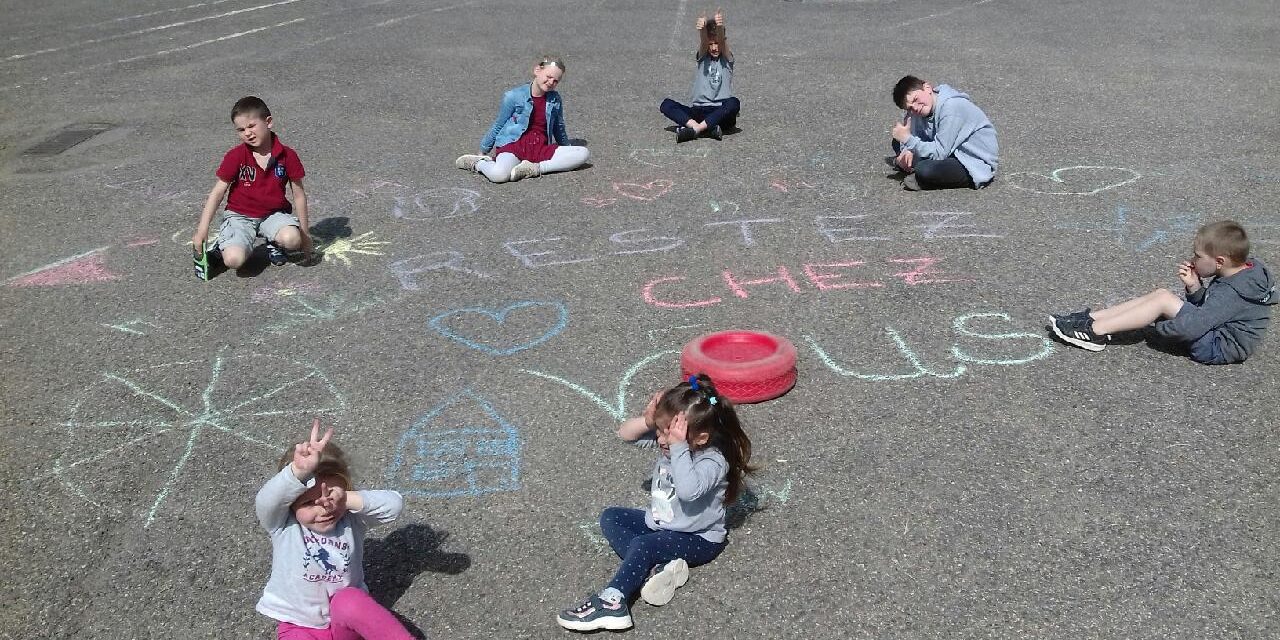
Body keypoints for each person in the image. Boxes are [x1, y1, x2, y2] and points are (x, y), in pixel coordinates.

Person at [557, 374, 754, 632]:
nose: (661, 439)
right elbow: (625, 434)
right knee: (611, 516)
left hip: (699, 539)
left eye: (667, 434)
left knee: (643, 545)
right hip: (662, 524)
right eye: (659, 431)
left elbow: (688, 491)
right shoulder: (671, 442)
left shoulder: (712, 460)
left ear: (701, 438)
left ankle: (614, 602)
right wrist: (649, 421)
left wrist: (679, 447)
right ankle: (654, 567)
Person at [255, 420, 415, 640]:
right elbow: (266, 500)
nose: (323, 509)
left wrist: (344, 499)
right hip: (299, 625)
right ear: (290, 503)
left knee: (349, 599)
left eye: (331, 496)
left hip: (344, 624)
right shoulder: (282, 523)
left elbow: (394, 506)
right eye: (309, 504)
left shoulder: (351, 518)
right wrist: (297, 473)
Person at [1050, 220, 1276, 363]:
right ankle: (1091, 320)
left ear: (1219, 261)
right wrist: (1195, 287)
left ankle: (1095, 333)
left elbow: (1198, 324)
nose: (1192, 259)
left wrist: (1160, 328)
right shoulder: (1243, 271)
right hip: (1218, 333)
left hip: (1219, 347)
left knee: (1163, 301)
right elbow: (1210, 309)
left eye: (1198, 256)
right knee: (1162, 295)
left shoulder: (1232, 291)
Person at [193, 96, 311, 270]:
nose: (247, 133)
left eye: (251, 126)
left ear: (268, 122)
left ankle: (274, 243)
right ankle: (223, 245)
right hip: (240, 215)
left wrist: (305, 233)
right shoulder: (236, 156)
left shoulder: (287, 156)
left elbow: (299, 195)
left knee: (293, 239)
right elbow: (217, 193)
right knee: (234, 260)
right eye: (241, 130)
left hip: (273, 214)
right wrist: (202, 230)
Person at [455, 55, 590, 183]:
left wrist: (566, 149)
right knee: (499, 176)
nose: (551, 82)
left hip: (540, 147)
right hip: (514, 145)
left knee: (583, 153)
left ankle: (535, 168)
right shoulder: (513, 96)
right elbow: (499, 124)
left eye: (555, 81)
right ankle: (479, 163)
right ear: (537, 70)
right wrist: (483, 150)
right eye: (548, 77)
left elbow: (559, 128)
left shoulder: (555, 99)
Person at [887, 75, 998, 191]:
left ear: (927, 88)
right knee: (897, 141)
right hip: (948, 150)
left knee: (925, 169)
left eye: (915, 99)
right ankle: (911, 167)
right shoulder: (916, 111)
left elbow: (940, 153)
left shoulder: (951, 107)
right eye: (909, 108)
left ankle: (923, 178)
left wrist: (909, 142)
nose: (914, 108)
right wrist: (907, 150)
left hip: (971, 159)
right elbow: (910, 135)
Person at [659, 11, 739, 143]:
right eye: (710, 44)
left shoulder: (727, 60)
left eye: (716, 43)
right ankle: (706, 128)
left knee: (734, 103)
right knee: (666, 105)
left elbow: (722, 43)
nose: (714, 48)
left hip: (719, 111)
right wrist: (702, 29)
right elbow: (703, 41)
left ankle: (693, 129)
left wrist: (719, 27)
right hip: (698, 112)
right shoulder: (703, 58)